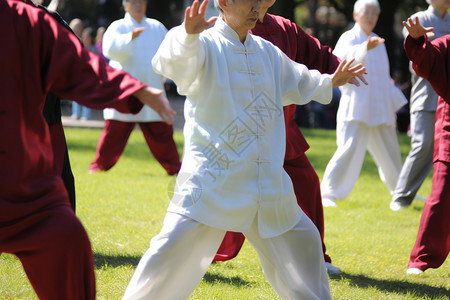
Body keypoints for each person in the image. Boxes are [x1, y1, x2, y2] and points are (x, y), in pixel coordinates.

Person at [121, 0, 366, 299]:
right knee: (171, 249)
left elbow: (300, 80)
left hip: (266, 183)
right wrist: (187, 36)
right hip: (213, 181)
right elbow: (170, 64)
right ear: (224, 3)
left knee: (304, 240)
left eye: (259, 2)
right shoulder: (205, 43)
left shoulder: (266, 51)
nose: (256, 8)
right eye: (249, 1)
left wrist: (331, 81)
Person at [0, 1, 176, 299]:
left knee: (67, 235)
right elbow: (109, 50)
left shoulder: (32, 21)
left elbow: (80, 64)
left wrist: (134, 89)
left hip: (23, 182)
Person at [212, 0, 364, 275]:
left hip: (281, 127)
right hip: (240, 133)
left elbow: (314, 57)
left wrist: (338, 71)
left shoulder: (285, 28)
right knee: (226, 193)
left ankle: (317, 258)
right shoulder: (229, 29)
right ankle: (207, 252)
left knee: (305, 183)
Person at [320, 0, 407, 208]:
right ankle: (329, 192)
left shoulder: (378, 40)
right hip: (356, 107)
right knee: (347, 149)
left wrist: (393, 105)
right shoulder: (348, 38)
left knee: (391, 152)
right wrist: (363, 49)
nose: (370, 17)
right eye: (366, 13)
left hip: (380, 108)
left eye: (373, 14)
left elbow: (383, 78)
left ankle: (402, 193)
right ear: (356, 15)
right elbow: (340, 65)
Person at [88, 0, 181, 175]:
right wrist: (129, 37)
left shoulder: (156, 27)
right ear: (125, 6)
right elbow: (109, 49)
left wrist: (168, 76)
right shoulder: (117, 26)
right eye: (134, 1)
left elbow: (170, 53)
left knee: (161, 132)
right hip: (126, 89)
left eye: (141, 1)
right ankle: (99, 165)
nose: (138, 5)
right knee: (113, 133)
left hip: (152, 87)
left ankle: (175, 167)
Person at [389, 0, 450, 211]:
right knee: (423, 145)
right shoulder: (421, 19)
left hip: (447, 98)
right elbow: (415, 59)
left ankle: (438, 199)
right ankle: (401, 197)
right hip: (426, 94)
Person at [403, 17, 450, 275]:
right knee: (442, 193)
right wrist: (419, 40)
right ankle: (422, 258)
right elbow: (427, 59)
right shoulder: (448, 43)